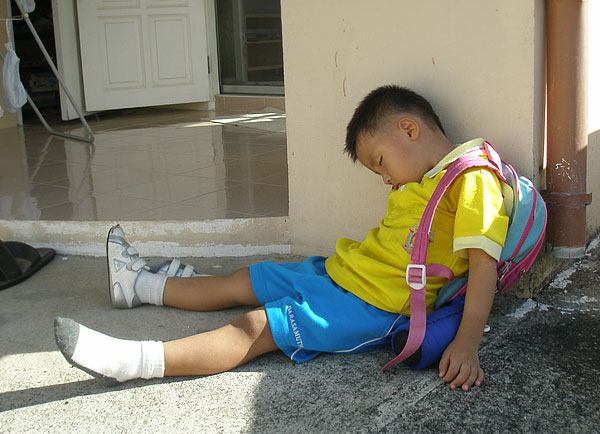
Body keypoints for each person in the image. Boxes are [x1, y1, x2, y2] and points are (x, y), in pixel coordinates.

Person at [54, 85, 508, 391]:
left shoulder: (473, 180)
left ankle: (133, 362)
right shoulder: (423, 178)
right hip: (337, 272)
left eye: (380, 162)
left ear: (409, 129)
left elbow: (483, 265)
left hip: (373, 306)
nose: (385, 178)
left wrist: (468, 342)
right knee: (246, 279)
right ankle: (139, 285)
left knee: (259, 327)